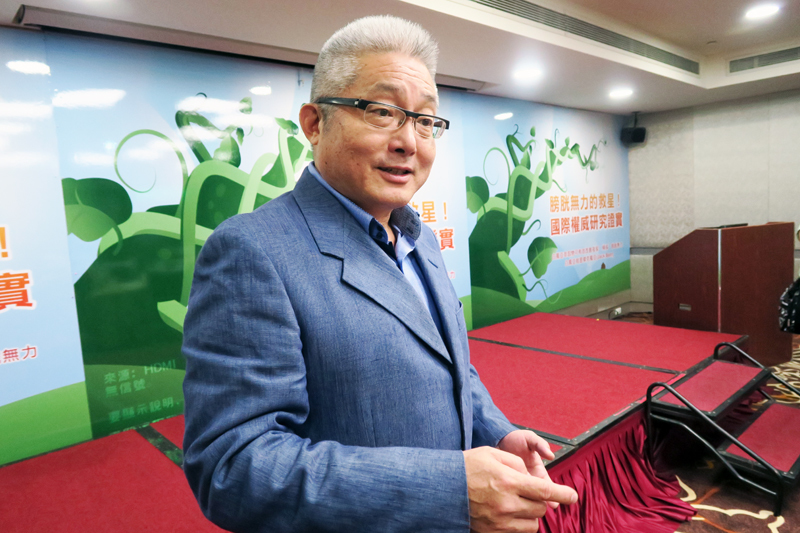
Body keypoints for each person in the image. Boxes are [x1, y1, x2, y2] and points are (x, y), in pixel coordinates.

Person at [182, 15, 577, 533]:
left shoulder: (420, 238)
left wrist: (496, 433)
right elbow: (232, 468)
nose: (409, 141)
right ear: (315, 124)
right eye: (382, 112)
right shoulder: (252, 252)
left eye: (425, 120)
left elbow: (452, 369)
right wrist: (449, 490)